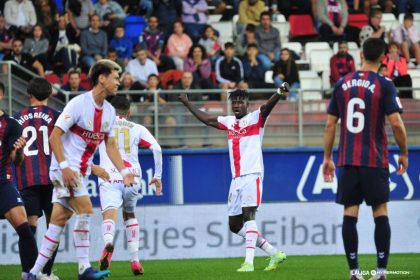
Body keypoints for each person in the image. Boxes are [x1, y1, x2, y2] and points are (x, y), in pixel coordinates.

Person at [26, 60, 138, 280]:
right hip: (64, 169)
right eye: (115, 78)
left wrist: (124, 172)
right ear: (101, 78)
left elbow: (110, 145)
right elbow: (54, 136)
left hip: (81, 171)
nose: (118, 82)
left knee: (59, 220)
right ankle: (84, 269)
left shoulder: (109, 111)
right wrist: (66, 167)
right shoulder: (78, 104)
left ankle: (32, 273)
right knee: (85, 210)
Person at [322, 38, 408, 280]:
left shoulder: (342, 83)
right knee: (380, 212)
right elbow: (397, 124)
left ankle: (354, 272)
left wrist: (327, 157)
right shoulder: (385, 84)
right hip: (375, 160)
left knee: (350, 213)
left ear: (360, 54)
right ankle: (381, 272)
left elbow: (330, 124)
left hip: (348, 160)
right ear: (384, 58)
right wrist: (403, 153)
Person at [179, 85, 288, 272]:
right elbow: (207, 119)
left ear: (247, 104)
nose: (237, 105)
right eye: (234, 102)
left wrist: (278, 93)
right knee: (235, 225)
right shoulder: (229, 122)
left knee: (249, 217)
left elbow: (266, 108)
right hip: (236, 179)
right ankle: (274, 253)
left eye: (240, 101)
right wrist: (188, 103)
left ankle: (248, 263)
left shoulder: (256, 118)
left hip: (252, 174)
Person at [97, 95, 162, 276]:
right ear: (129, 112)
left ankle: (108, 243)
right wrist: (157, 176)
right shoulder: (137, 128)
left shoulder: (103, 126)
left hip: (109, 176)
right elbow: (156, 148)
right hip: (132, 177)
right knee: (129, 213)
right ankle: (135, 260)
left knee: (109, 214)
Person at [13, 78, 61, 280]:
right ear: (50, 94)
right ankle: (47, 273)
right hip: (52, 179)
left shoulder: (16, 119)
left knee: (29, 227)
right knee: (54, 227)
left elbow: (13, 155)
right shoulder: (57, 116)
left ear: (28, 94)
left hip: (27, 177)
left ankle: (28, 272)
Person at [0, 81, 38, 280]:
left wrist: (20, 150)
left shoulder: (11, 125)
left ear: (1, 96)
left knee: (25, 228)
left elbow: (17, 161)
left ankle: (29, 274)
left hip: (2, 182)